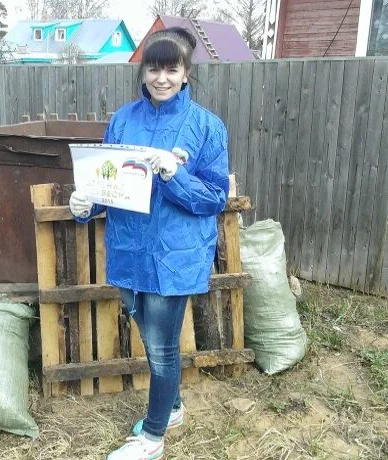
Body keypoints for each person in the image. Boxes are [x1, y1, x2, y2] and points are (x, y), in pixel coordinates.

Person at [69, 27, 230, 460]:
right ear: (144, 71)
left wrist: (174, 175)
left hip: (173, 256)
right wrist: (85, 204)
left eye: (171, 69)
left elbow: (215, 197)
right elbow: (109, 185)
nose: (161, 78)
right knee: (150, 335)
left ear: (186, 72)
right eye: (154, 68)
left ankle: (153, 436)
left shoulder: (206, 127)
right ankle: (173, 405)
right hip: (128, 250)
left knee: (160, 350)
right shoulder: (123, 119)